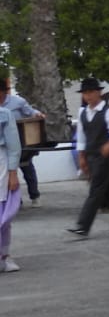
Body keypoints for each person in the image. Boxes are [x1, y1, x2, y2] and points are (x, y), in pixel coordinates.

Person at [66, 77, 109, 237]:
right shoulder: (83, 112)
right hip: (91, 154)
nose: (88, 96)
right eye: (85, 93)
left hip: (107, 155)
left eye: (91, 92)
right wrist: (81, 156)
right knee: (108, 187)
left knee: (96, 188)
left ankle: (83, 225)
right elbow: (81, 136)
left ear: (98, 92)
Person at [0, 76, 43, 206]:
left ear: (3, 91)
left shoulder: (18, 102)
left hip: (20, 142)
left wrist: (38, 114)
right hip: (3, 145)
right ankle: (15, 200)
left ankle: (34, 195)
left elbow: (30, 112)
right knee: (6, 174)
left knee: (27, 168)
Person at [0, 99, 20, 272]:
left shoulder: (4, 114)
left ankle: (4, 256)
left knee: (3, 215)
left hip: (1, 163)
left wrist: (13, 173)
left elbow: (14, 147)